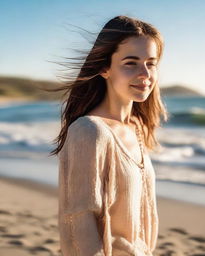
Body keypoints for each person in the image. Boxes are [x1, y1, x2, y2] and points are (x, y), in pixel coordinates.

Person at [51, 15, 168, 256]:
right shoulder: (89, 131)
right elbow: (81, 227)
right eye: (131, 63)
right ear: (105, 68)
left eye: (151, 63)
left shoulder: (137, 127)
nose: (145, 74)